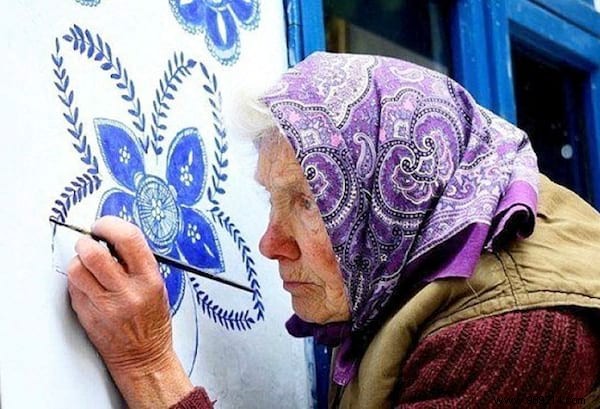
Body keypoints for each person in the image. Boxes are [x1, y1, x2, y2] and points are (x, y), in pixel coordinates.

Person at [67, 52, 600, 409]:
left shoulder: (506, 339)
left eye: (306, 201)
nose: (271, 244)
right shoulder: (419, 265)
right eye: (273, 202)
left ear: (397, 193)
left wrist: (150, 367)